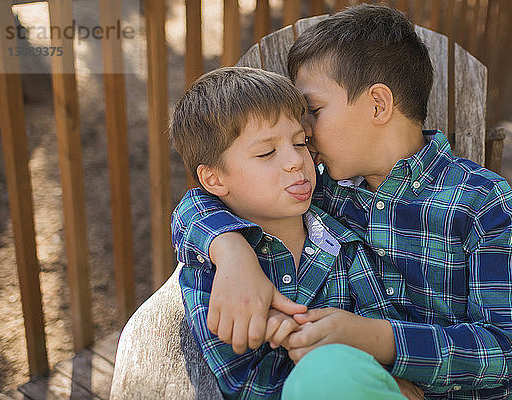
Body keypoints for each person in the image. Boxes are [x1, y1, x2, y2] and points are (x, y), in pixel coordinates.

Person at [176, 4, 512, 399]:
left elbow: (510, 348)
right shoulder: (319, 186)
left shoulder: (479, 199)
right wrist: (230, 251)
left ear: (378, 105)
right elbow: (201, 200)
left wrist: (375, 338)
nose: (304, 135)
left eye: (312, 111)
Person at [170, 66, 407, 399]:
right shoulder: (214, 274)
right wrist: (234, 255)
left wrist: (344, 348)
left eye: (301, 143)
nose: (296, 161)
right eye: (267, 152)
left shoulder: (344, 244)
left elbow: (386, 334)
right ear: (215, 179)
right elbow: (242, 381)